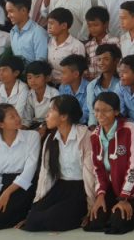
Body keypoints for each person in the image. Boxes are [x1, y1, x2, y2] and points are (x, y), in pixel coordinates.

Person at [21, 95, 92, 232]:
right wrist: (37, 202)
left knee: (51, 218)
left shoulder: (84, 136)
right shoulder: (51, 138)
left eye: (51, 110)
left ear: (64, 116)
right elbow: (45, 175)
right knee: (32, 220)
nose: (46, 115)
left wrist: (91, 206)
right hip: (60, 187)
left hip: (80, 189)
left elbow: (91, 174)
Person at [85, 92, 134, 234]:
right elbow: (97, 169)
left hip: (133, 192)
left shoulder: (129, 128)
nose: (100, 115)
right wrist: (100, 195)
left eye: (106, 110)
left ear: (116, 111)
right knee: (95, 222)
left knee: (117, 224)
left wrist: (124, 197)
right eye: (97, 110)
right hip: (112, 190)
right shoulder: (94, 135)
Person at [45, 7, 85, 84]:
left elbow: (78, 73)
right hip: (50, 83)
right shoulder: (49, 41)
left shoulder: (77, 46)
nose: (49, 27)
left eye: (52, 23)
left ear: (64, 26)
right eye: (48, 23)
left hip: (67, 85)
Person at [85, 44, 121, 126]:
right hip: (98, 126)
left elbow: (122, 110)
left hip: (118, 124)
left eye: (106, 59)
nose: (101, 63)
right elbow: (92, 112)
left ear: (116, 61)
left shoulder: (122, 83)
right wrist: (93, 128)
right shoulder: (92, 85)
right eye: (99, 59)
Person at [22, 60, 59, 130]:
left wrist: (44, 127)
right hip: (36, 125)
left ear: (47, 78)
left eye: (37, 77)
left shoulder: (54, 94)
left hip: (52, 125)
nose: (32, 80)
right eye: (29, 77)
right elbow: (27, 119)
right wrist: (21, 130)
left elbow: (56, 117)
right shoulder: (29, 94)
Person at [57, 54, 90, 124]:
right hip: (66, 123)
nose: (61, 76)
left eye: (63, 73)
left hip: (83, 125)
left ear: (76, 74)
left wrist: (68, 122)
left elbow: (86, 114)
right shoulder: (62, 87)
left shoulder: (89, 88)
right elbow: (61, 109)